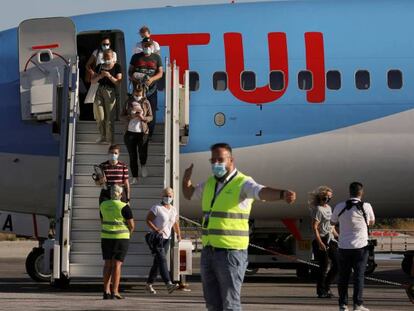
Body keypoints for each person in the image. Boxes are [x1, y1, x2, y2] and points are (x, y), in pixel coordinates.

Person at [182, 142, 296, 311]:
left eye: (220, 159)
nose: (216, 163)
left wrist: (281, 194)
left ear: (231, 160)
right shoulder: (210, 183)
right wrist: (186, 180)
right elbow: (189, 194)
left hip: (230, 254)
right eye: (213, 160)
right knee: (212, 304)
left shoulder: (243, 183)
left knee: (230, 304)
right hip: (209, 252)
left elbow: (261, 191)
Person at [331, 182, 375, 311]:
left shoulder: (340, 206)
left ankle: (343, 305)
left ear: (349, 192)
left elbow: (332, 222)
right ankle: (358, 305)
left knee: (343, 277)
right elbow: (371, 222)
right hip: (361, 247)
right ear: (361, 193)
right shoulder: (366, 206)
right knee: (358, 277)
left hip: (343, 247)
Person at [100, 184, 135, 299]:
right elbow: (131, 225)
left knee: (107, 264)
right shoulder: (124, 206)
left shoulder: (103, 205)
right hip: (121, 238)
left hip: (106, 237)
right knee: (117, 264)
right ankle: (115, 291)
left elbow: (102, 219)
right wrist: (129, 233)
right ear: (121, 194)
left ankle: (106, 291)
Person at [145, 187, 181, 294]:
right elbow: (148, 220)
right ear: (162, 196)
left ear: (173, 197)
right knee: (162, 260)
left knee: (157, 262)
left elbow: (175, 223)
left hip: (166, 239)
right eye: (166, 195)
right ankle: (168, 283)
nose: (168, 197)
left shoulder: (173, 209)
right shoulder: (157, 208)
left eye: (170, 196)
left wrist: (179, 234)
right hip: (157, 239)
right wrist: (156, 230)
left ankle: (149, 283)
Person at [128, 38, 163, 138]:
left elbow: (160, 73)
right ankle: (137, 132)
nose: (147, 47)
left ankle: (149, 134)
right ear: (142, 46)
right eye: (145, 45)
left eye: (149, 45)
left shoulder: (156, 57)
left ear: (152, 46)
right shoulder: (135, 57)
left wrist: (151, 79)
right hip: (138, 91)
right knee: (137, 110)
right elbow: (130, 71)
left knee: (151, 112)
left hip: (151, 90)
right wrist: (134, 78)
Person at [309, 185, 339, 298]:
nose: (327, 199)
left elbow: (331, 226)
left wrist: (338, 237)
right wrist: (319, 242)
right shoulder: (317, 209)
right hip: (320, 239)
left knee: (337, 264)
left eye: (329, 197)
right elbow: (314, 227)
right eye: (326, 197)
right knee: (324, 266)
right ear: (321, 197)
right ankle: (321, 291)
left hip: (330, 238)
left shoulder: (329, 208)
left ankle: (327, 286)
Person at [122, 84, 153, 182]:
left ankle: (143, 165)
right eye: (136, 92)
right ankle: (135, 176)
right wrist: (131, 116)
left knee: (143, 152)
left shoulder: (146, 102)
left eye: (140, 92)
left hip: (143, 132)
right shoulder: (128, 102)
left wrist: (143, 118)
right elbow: (121, 116)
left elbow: (151, 117)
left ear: (143, 92)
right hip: (130, 133)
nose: (138, 94)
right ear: (133, 91)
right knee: (132, 156)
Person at [91, 49, 122, 143]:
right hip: (100, 90)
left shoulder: (117, 66)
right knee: (100, 117)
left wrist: (109, 76)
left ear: (112, 57)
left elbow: (118, 82)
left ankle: (110, 140)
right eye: (105, 57)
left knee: (109, 118)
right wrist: (100, 76)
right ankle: (103, 136)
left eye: (108, 57)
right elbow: (92, 81)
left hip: (110, 91)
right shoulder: (99, 66)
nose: (106, 59)